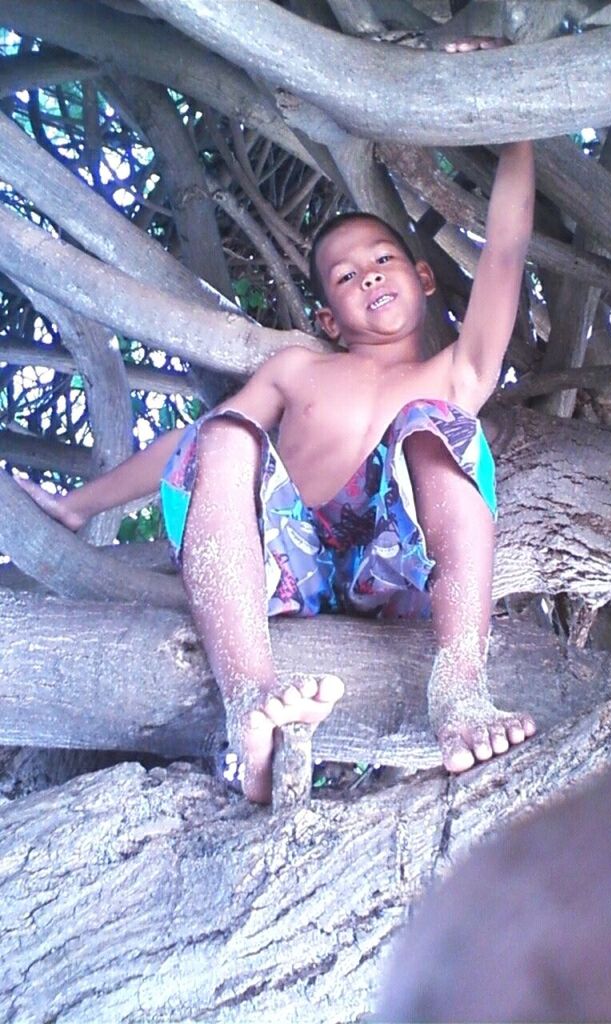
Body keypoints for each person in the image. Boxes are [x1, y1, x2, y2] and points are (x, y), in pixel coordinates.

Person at [19, 66, 536, 804]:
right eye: (346, 277)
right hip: (282, 566)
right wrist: (81, 507)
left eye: (383, 261)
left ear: (424, 278)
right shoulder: (299, 369)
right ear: (329, 319)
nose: (368, 278)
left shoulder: (457, 372)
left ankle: (458, 687)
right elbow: (191, 450)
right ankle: (250, 701)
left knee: (436, 429)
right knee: (226, 433)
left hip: (395, 567)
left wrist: (519, 135)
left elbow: (506, 254)